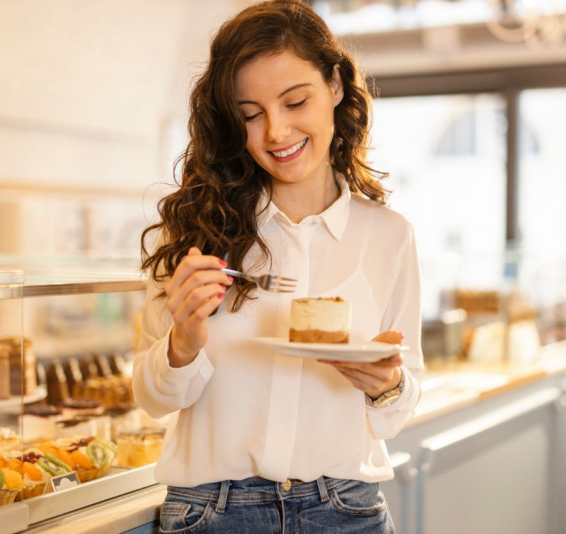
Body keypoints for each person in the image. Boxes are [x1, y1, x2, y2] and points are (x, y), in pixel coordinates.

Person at [133, 1, 423, 532]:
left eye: (295, 102)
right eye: (251, 114)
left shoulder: (389, 236)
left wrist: (387, 385)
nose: (276, 132)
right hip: (212, 513)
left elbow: (398, 410)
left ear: (335, 85)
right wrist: (182, 343)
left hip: (345, 510)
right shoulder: (198, 232)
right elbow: (153, 399)